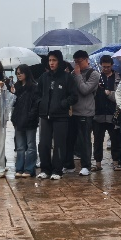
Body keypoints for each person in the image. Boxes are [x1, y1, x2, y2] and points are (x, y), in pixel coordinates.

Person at [37, 50, 77, 181]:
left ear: (59, 61)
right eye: (50, 60)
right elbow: (37, 94)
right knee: (44, 144)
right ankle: (45, 169)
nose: (51, 63)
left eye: (54, 60)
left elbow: (74, 96)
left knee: (59, 144)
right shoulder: (44, 77)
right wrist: (41, 104)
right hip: (45, 115)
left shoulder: (67, 77)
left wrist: (63, 104)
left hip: (61, 116)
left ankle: (57, 170)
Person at [65, 50, 100, 176]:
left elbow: (85, 90)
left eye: (79, 61)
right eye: (75, 62)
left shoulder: (94, 74)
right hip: (73, 112)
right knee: (70, 140)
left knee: (84, 140)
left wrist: (78, 75)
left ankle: (86, 166)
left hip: (86, 112)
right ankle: (69, 165)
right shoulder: (73, 74)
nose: (77, 64)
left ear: (86, 60)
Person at [93, 56, 121, 171]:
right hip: (98, 114)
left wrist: (109, 93)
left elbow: (120, 96)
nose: (106, 69)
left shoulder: (118, 77)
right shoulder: (96, 77)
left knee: (115, 139)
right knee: (98, 140)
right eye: (104, 67)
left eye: (108, 67)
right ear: (101, 65)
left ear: (112, 65)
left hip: (113, 114)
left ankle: (116, 162)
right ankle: (98, 163)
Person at [11, 64, 39, 178]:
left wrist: (31, 116)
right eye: (17, 73)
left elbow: (36, 103)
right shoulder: (16, 87)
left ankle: (29, 169)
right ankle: (19, 168)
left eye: (21, 73)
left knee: (30, 145)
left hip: (30, 120)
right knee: (20, 146)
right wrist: (12, 94)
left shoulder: (34, 87)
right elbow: (13, 104)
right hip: (18, 120)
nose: (19, 75)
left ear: (26, 73)